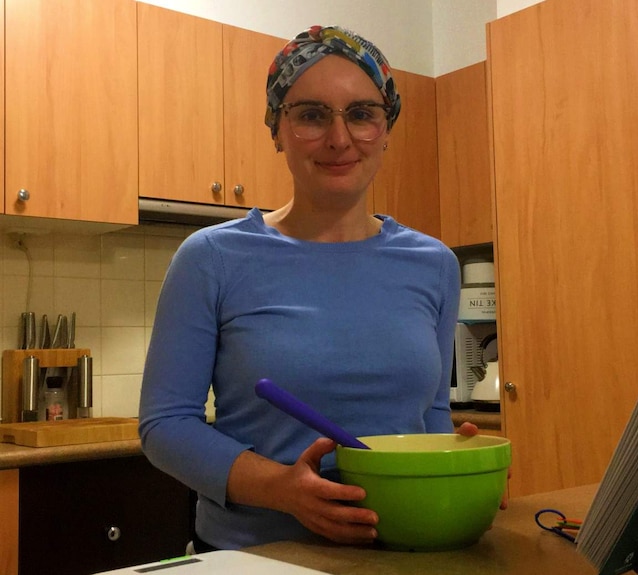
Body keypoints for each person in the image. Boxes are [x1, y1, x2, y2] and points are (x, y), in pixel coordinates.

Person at [138, 25, 479, 551]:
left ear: (386, 130)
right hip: (257, 556)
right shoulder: (210, 258)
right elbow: (165, 427)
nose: (339, 138)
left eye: (362, 114)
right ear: (277, 129)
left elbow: (430, 414)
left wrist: (457, 473)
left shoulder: (434, 264)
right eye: (312, 115)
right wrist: (282, 490)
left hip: (402, 553)